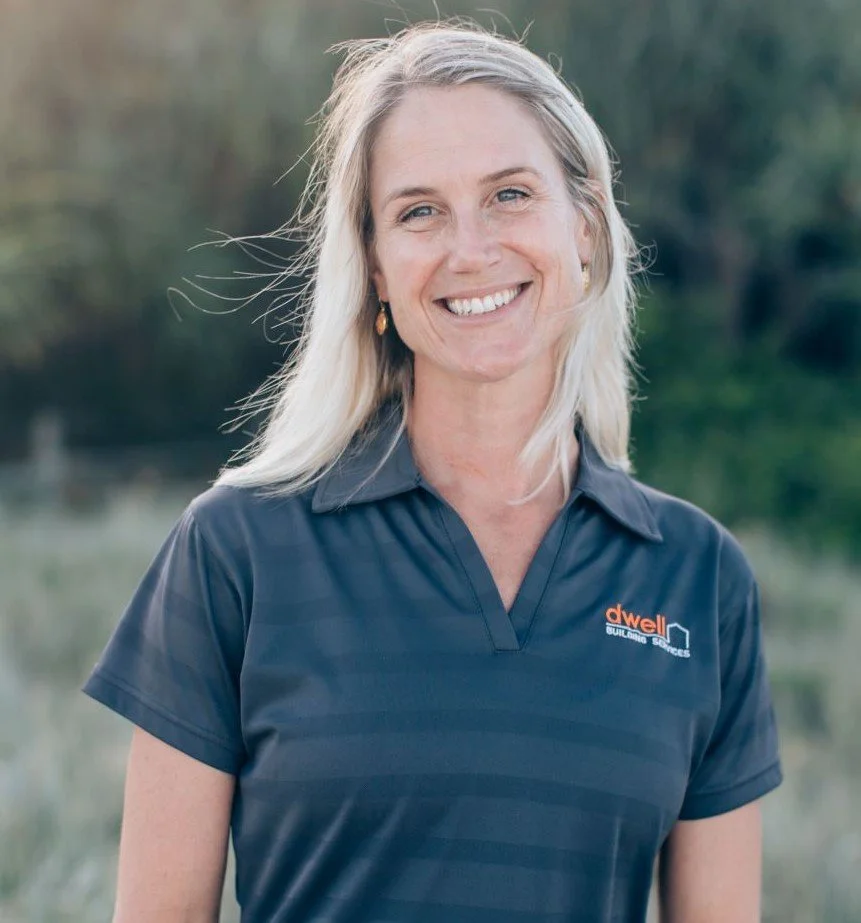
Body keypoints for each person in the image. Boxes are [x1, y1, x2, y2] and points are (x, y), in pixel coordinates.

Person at [84, 20, 782, 923]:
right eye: (419, 210)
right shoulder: (234, 550)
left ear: (586, 227)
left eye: (508, 194)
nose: (469, 249)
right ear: (373, 265)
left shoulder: (699, 576)